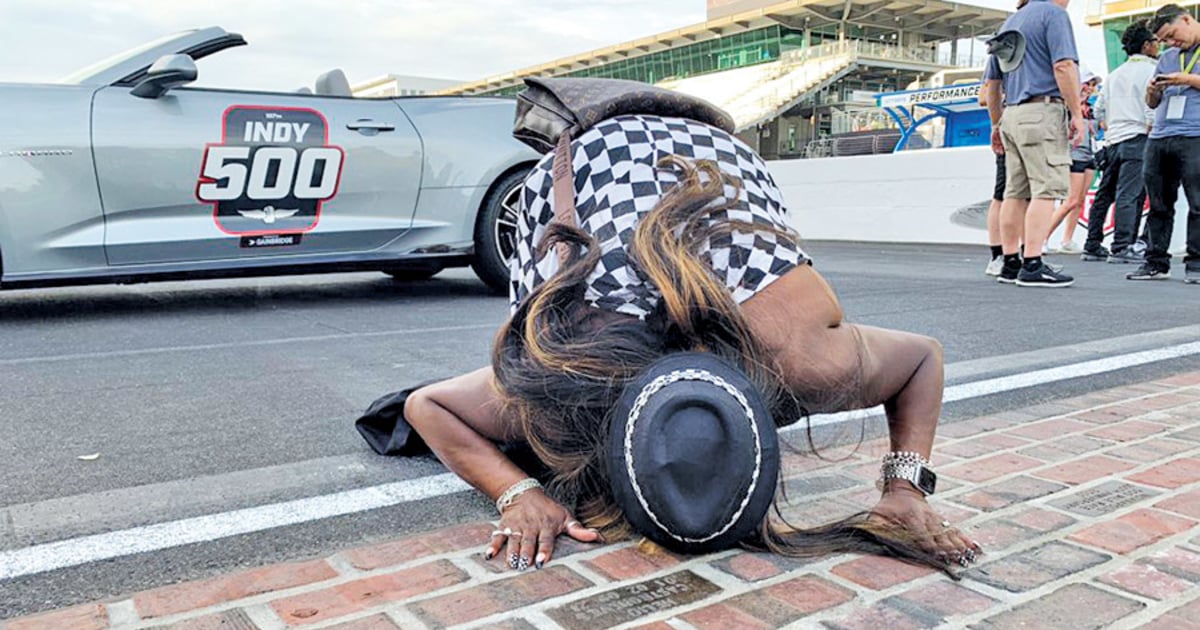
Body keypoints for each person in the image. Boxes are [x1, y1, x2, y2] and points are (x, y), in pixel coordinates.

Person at [400, 113, 980, 574]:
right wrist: (517, 491)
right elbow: (428, 405)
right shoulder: (568, 377)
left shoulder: (797, 359)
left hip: (713, 158)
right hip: (596, 159)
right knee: (543, 337)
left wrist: (907, 491)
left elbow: (922, 356)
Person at [983, 0, 1084, 287]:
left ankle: (1010, 261)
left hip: (1012, 113)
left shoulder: (1011, 23)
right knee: (1046, 188)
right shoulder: (1053, 16)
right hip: (1042, 110)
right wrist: (1076, 112)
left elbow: (992, 83)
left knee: (1014, 192)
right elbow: (1063, 65)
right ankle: (1033, 262)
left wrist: (996, 123)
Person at [1130, 4, 1200, 283]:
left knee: (1198, 202)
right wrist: (1151, 92)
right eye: (1165, 40)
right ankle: (1155, 261)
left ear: (1187, 19)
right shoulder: (1168, 57)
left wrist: (1187, 79)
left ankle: (1196, 262)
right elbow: (1152, 103)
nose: (1171, 43)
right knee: (1158, 202)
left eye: (1173, 35)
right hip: (1161, 134)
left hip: (1195, 134)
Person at [1082, 21, 1159, 265]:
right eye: (1156, 42)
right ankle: (1123, 245)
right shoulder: (1153, 71)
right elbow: (1152, 105)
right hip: (1138, 138)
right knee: (1130, 194)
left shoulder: (1114, 74)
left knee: (1105, 194)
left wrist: (1111, 125)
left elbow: (1097, 110)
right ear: (1147, 45)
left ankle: (1093, 244)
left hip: (1113, 141)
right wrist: (1151, 125)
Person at [1046, 68, 1101, 254]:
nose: (1090, 88)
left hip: (1088, 155)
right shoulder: (1067, 106)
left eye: (1093, 85)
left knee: (1079, 201)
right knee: (1070, 200)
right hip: (1073, 155)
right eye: (1087, 84)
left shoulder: (1089, 110)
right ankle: (1042, 238)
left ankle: (1067, 240)